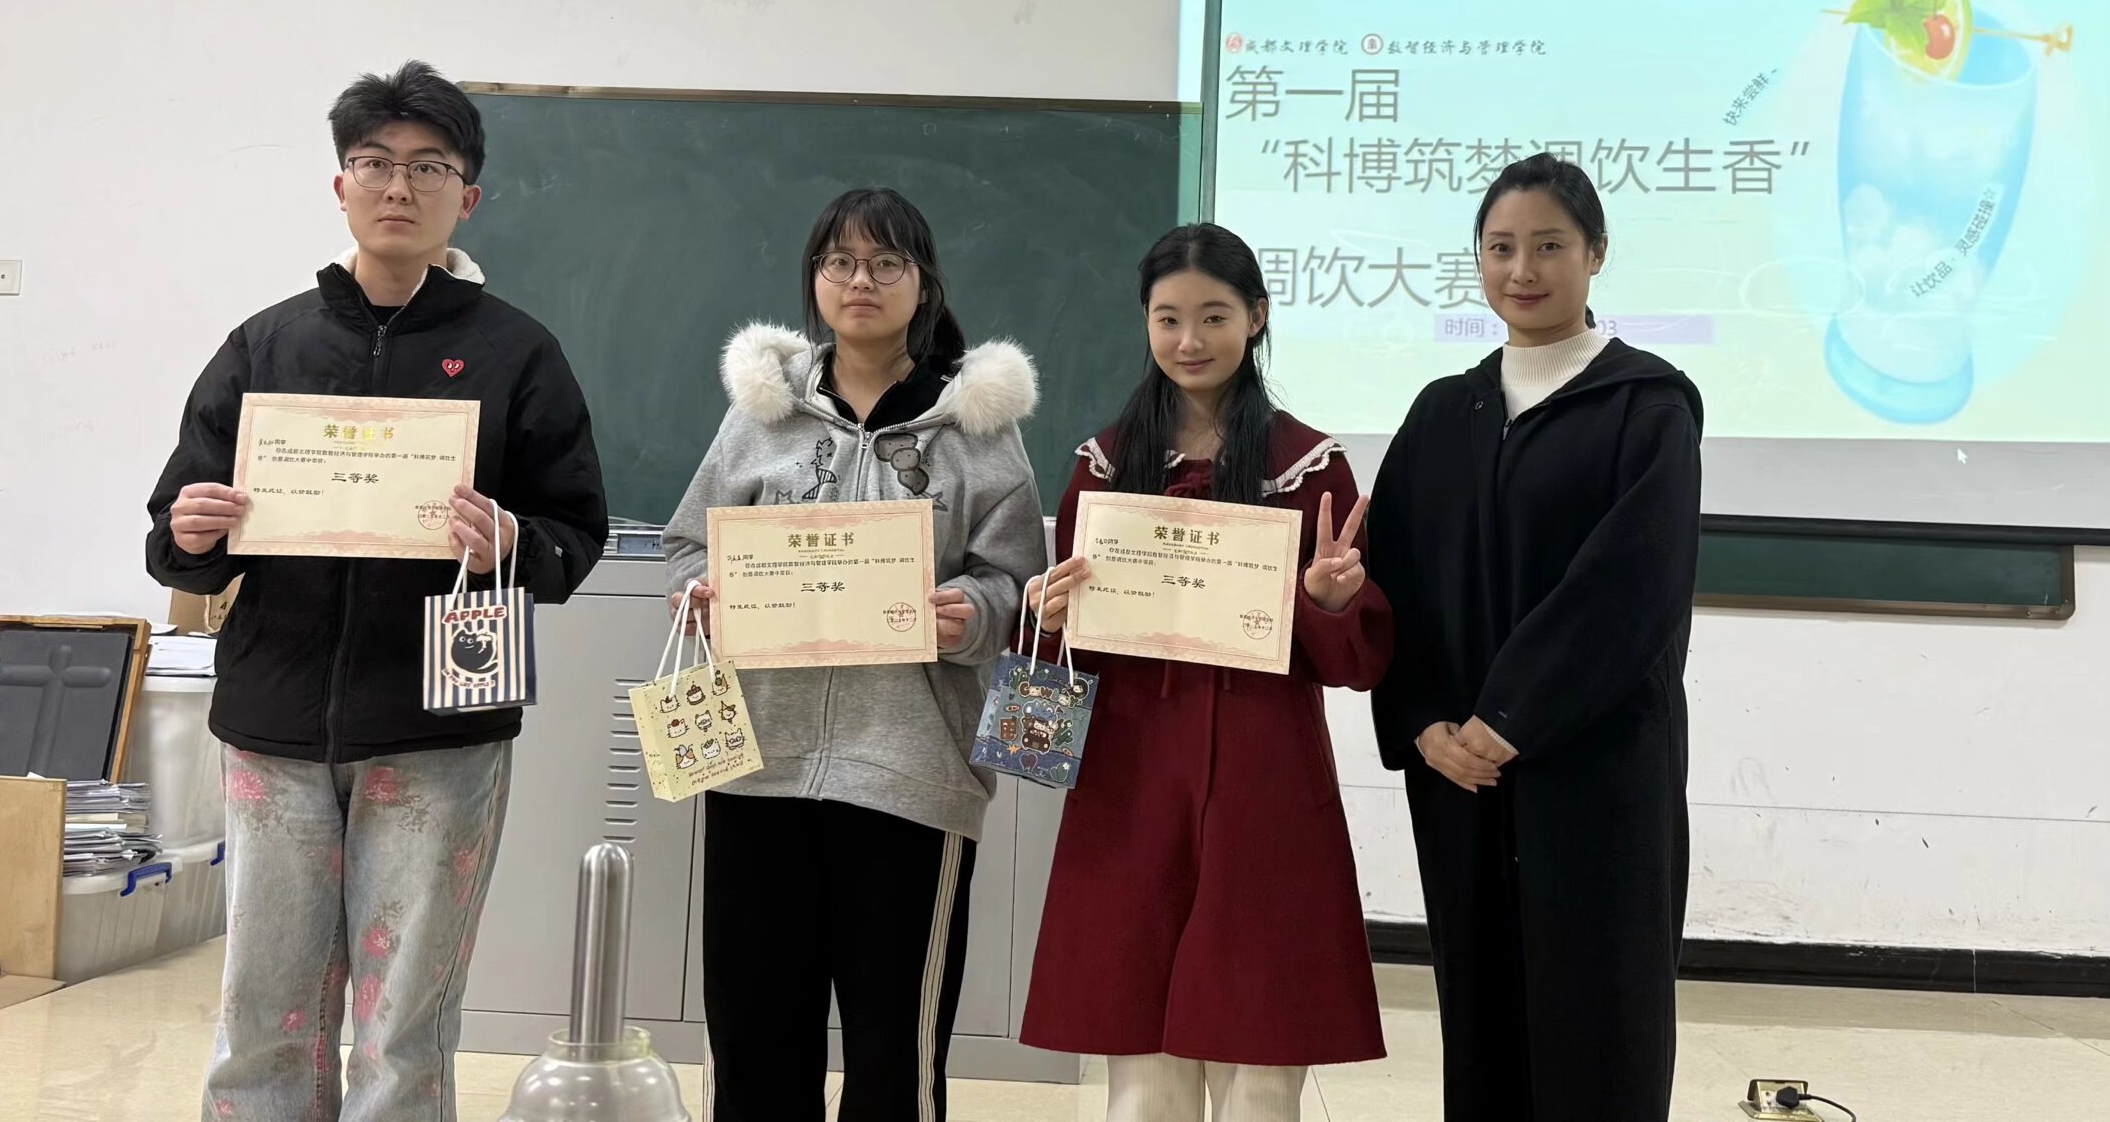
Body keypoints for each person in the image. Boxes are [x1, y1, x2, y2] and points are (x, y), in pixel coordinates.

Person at [145, 61, 609, 1122]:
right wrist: (190, 535)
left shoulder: (517, 352)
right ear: (340, 185)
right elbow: (178, 534)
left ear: (467, 196)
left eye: (428, 167)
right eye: (374, 163)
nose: (399, 186)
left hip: (440, 724)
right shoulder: (266, 343)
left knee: (403, 1024)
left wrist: (511, 541)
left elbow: (574, 533)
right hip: (274, 720)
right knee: (264, 1014)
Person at [661, 186, 1045, 1122]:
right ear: (814, 279)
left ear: (924, 284)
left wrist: (972, 612)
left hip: (911, 773)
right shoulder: (760, 416)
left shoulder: (976, 428)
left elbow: (1017, 584)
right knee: (753, 1045)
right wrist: (703, 591)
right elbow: (687, 544)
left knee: (892, 1058)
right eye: (839, 262)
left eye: (885, 263)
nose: (859, 281)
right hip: (759, 767)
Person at [1021, 223, 1391, 1122]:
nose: (1190, 340)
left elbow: (1353, 660)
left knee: (1260, 1063)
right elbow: (1066, 650)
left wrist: (1326, 600)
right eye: (1168, 318)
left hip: (1264, 783)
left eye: (1214, 316)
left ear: (1256, 317)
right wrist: (1047, 615)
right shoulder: (1103, 463)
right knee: (1141, 1075)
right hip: (1130, 780)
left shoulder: (1309, 464)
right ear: (1145, 323)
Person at [1366, 153, 1703, 1122]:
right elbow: (1399, 579)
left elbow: (1629, 587)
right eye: (1501, 247)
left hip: (1594, 772)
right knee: (1483, 1020)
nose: (1522, 269)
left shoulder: (1648, 405)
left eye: (1549, 245)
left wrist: (1510, 716)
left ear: (1595, 254)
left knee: (1599, 1020)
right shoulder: (1445, 411)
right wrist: (1424, 719)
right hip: (1460, 777)